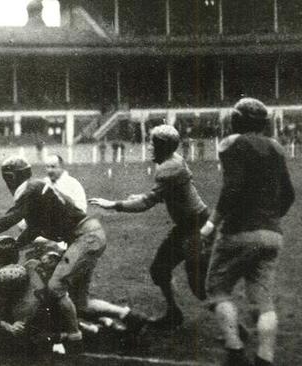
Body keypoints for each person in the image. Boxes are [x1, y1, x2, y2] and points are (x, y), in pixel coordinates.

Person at [0, 156, 147, 352]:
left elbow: (9, 220)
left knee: (55, 287)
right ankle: (130, 317)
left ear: (10, 177)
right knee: (80, 302)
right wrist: (12, 245)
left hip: (85, 237)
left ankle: (74, 339)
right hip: (88, 236)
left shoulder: (29, 190)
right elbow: (34, 229)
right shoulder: (37, 187)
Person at [200, 98, 295, 366]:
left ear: (236, 120)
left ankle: (235, 350)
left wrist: (211, 224)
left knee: (218, 289)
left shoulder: (232, 144)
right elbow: (288, 194)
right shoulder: (276, 147)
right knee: (263, 301)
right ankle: (265, 357)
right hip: (272, 234)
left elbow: (232, 188)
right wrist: (271, 218)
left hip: (238, 232)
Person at [89, 124, 211, 330]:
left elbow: (147, 203)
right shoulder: (172, 162)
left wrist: (115, 204)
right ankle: (174, 313)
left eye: (154, 143)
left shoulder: (168, 168)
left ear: (163, 146)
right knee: (160, 270)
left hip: (195, 227)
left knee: (198, 286)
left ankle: (236, 327)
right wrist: (145, 197)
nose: (150, 147)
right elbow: (170, 195)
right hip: (187, 225)